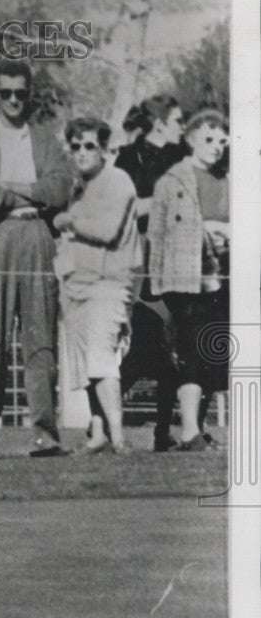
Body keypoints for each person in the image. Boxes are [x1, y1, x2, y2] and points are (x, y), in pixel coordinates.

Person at [0, 60, 75, 459]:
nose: (13, 100)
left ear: (29, 95)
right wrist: (29, 191)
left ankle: (46, 436)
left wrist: (9, 187)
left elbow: (61, 188)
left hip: (37, 236)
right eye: (6, 92)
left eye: (21, 93)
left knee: (40, 340)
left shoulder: (46, 139)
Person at [53, 119, 141, 453]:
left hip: (108, 283)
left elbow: (108, 230)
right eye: (75, 146)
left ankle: (118, 438)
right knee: (86, 364)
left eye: (89, 145)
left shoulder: (118, 180)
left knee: (101, 358)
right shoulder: (79, 187)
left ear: (103, 149)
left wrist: (69, 220)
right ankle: (99, 434)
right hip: (77, 284)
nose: (81, 153)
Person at [148, 109, 229, 452]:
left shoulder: (228, 179)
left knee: (216, 352)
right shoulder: (172, 180)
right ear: (192, 138)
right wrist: (157, 285)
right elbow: (157, 234)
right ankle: (189, 431)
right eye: (208, 139)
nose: (216, 147)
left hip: (224, 274)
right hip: (185, 278)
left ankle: (198, 427)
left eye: (222, 141)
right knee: (193, 349)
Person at [114, 95, 188, 452]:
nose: (183, 127)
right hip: (140, 261)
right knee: (147, 346)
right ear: (159, 122)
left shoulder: (183, 156)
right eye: (177, 120)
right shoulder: (129, 158)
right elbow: (119, 207)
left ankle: (166, 433)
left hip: (178, 260)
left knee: (176, 351)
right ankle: (103, 424)